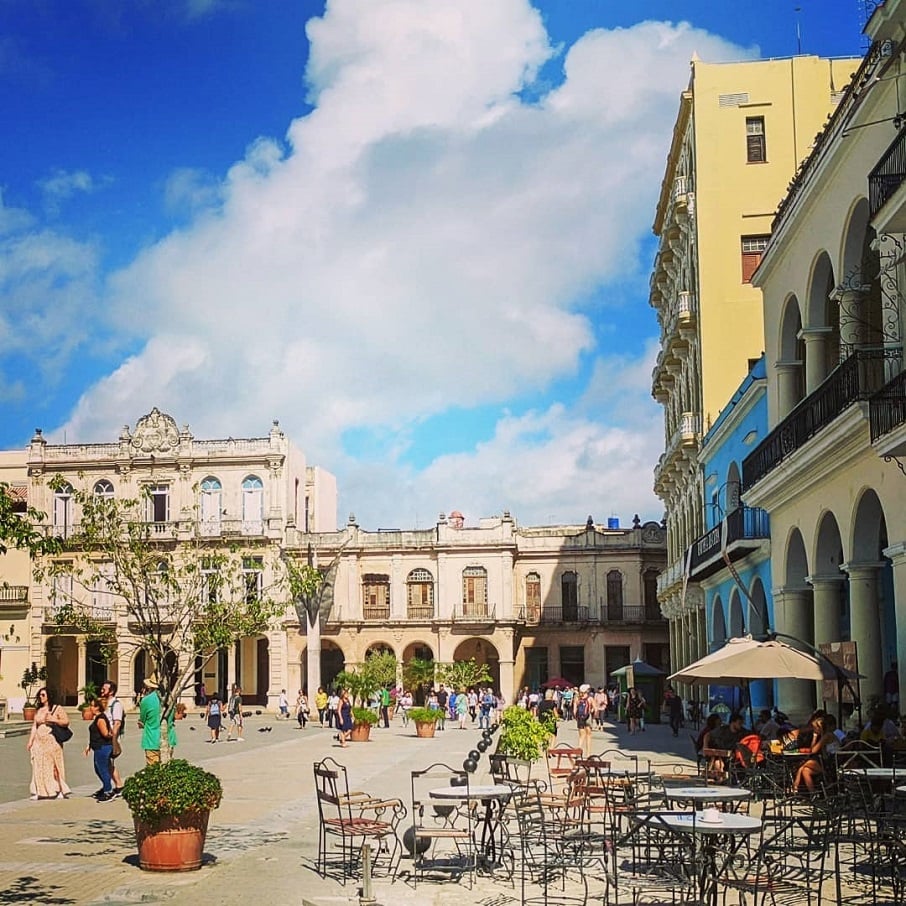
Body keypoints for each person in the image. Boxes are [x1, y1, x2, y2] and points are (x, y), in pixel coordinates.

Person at [26, 687, 72, 800]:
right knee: (38, 766)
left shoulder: (57, 708)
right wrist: (30, 741)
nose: (41, 697)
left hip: (52, 741)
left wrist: (54, 720)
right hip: (39, 741)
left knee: (54, 766)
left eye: (43, 695)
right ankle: (38, 790)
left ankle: (60, 789)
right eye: (40, 695)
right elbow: (34, 726)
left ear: (48, 696)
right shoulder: (39, 710)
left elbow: (66, 722)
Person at [793, 713, 838, 793]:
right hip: (828, 761)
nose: (814, 730)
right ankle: (813, 793)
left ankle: (795, 786)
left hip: (833, 763)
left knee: (803, 765)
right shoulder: (824, 735)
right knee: (805, 770)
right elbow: (812, 749)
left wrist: (815, 736)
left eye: (815, 728)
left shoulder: (827, 736)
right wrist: (815, 736)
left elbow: (813, 750)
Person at [83, 698, 115, 802]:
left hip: (103, 747)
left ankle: (108, 791)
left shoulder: (100, 719)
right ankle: (106, 787)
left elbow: (105, 733)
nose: (90, 708)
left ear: (97, 707)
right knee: (98, 769)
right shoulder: (98, 718)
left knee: (103, 769)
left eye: (92, 706)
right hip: (98, 747)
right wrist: (89, 746)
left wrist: (112, 734)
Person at [100, 679, 125, 796]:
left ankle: (112, 786)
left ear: (111, 691)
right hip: (104, 737)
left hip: (110, 738)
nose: (101, 691)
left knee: (105, 763)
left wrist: (113, 739)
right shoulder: (106, 703)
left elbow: (117, 723)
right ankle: (117, 785)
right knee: (107, 763)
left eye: (104, 689)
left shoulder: (116, 705)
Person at [137, 677, 162, 765]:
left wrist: (141, 723)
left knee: (153, 769)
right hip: (168, 738)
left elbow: (142, 719)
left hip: (152, 739)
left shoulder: (146, 700)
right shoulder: (169, 699)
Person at [575, 684, 595, 757]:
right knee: (588, 735)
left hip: (580, 717)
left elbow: (574, 710)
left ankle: (579, 750)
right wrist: (593, 715)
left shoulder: (577, 698)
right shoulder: (590, 698)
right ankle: (588, 753)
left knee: (581, 735)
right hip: (588, 717)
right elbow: (595, 709)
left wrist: (576, 717)